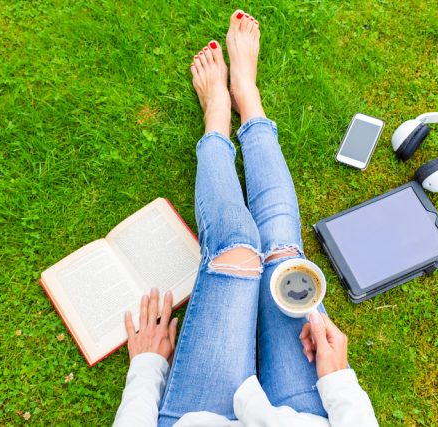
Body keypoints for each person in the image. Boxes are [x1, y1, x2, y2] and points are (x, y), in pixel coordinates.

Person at [113, 10, 378, 427]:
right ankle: (247, 97)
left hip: (201, 416)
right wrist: (341, 383)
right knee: (283, 255)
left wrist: (146, 370)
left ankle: (217, 115)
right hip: (306, 417)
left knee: (238, 247)